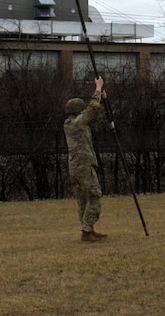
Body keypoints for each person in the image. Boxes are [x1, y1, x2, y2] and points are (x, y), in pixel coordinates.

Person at [64, 76, 106, 242]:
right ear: (78, 110)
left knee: (83, 199)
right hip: (83, 165)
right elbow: (91, 111)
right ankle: (86, 230)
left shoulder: (72, 123)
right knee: (94, 195)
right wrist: (98, 88)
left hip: (76, 166)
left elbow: (92, 115)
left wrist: (100, 100)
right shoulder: (77, 123)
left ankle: (88, 229)